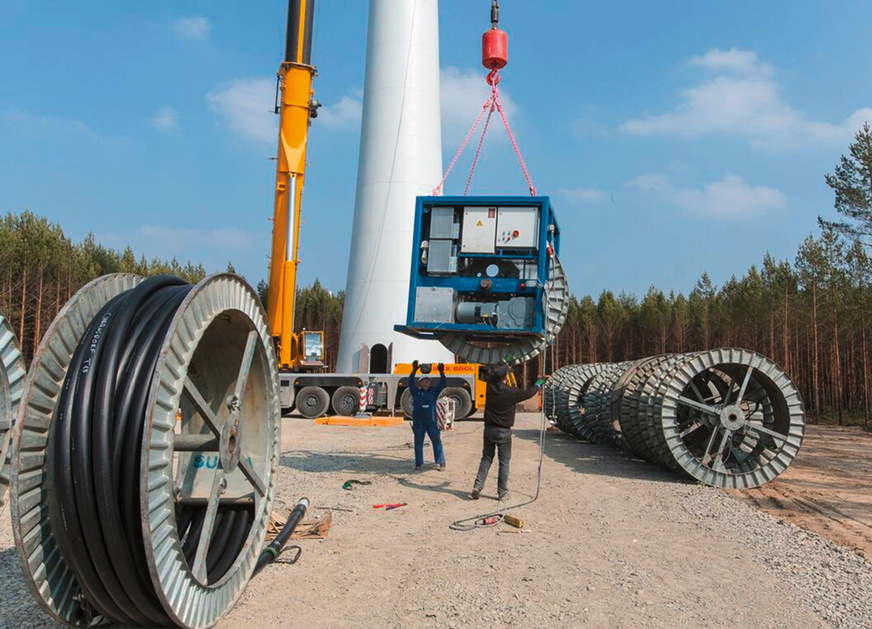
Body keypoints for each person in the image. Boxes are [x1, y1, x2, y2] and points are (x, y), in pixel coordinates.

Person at [471, 365, 542, 500]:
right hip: (503, 431)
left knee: (486, 458)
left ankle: (477, 486)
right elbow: (528, 393)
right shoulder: (510, 392)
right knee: (504, 462)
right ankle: (502, 493)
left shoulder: (490, 387)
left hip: (489, 430)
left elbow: (485, 372)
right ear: (505, 377)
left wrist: (503, 365)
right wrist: (537, 385)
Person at [408, 360, 447, 470]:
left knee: (436, 441)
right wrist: (414, 370)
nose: (427, 382)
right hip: (419, 422)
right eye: (424, 380)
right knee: (418, 442)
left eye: (428, 380)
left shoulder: (433, 392)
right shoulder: (416, 392)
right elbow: (410, 382)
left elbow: (443, 383)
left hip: (431, 422)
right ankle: (418, 464)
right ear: (420, 383)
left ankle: (441, 462)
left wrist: (441, 372)